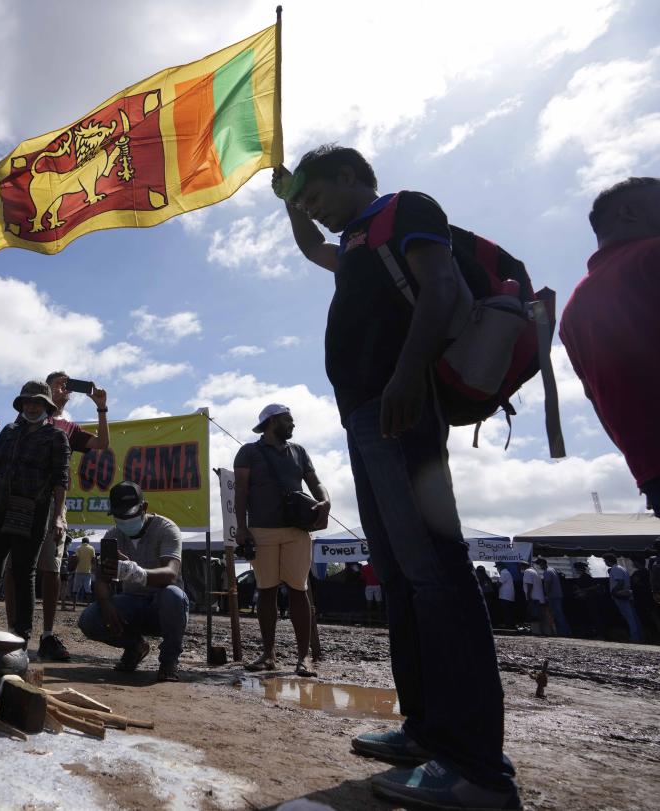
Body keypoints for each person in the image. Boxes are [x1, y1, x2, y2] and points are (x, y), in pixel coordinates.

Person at [274, 146, 519, 808]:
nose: (312, 210)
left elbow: (439, 288)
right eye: (304, 205)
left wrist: (406, 376)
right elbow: (312, 254)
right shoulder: (353, 241)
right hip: (365, 414)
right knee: (403, 578)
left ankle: (476, 769)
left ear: (350, 176)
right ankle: (426, 731)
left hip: (400, 405)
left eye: (315, 194)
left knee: (434, 574)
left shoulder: (403, 208)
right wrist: (286, 205)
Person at [559, 177, 660, 520]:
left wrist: (644, 470)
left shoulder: (572, 313)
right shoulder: (653, 255)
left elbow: (598, 401)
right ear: (630, 212)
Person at [3, 372, 110, 662]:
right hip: (21, 501)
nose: (66, 388)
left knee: (51, 567)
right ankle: (13, 631)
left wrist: (101, 407)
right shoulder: (24, 421)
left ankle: (47, 634)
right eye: (60, 383)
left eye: (67, 384)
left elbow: (101, 445)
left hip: (52, 502)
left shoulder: (67, 427)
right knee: (15, 566)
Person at [234, 404, 330, 678]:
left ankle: (304, 658)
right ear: (273, 421)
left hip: (297, 529)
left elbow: (315, 482)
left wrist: (326, 500)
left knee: (299, 591)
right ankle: (269, 655)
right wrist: (242, 527)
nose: (293, 424)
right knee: (266, 591)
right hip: (261, 530)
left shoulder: (299, 451)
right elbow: (240, 491)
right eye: (289, 420)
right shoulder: (248, 452)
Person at [0, 381, 70, 643]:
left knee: (25, 571)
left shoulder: (56, 436)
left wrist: (58, 516)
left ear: (47, 407)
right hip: (0, 508)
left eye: (37, 402)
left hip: (33, 511)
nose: (32, 406)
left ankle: (21, 636)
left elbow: (61, 480)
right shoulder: (8, 431)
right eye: (27, 402)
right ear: (21, 405)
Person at [77, 482, 187, 682]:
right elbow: (102, 578)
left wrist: (136, 572)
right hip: (131, 603)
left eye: (129, 515)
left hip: (162, 608)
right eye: (119, 516)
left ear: (144, 508)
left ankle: (169, 660)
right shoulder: (113, 536)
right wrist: (105, 603)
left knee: (173, 596)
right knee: (89, 619)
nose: (124, 521)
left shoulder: (166, 529)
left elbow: (170, 573)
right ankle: (135, 646)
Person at [605, 554, 642, 642]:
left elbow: (620, 582)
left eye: (605, 560)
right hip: (627, 595)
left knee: (629, 617)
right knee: (634, 617)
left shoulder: (615, 569)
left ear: (608, 560)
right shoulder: (622, 568)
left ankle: (635, 637)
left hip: (621, 596)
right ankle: (639, 636)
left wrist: (614, 592)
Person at [536, 557, 570, 637]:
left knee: (557, 614)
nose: (538, 566)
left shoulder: (547, 572)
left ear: (542, 564)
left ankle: (563, 632)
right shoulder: (552, 569)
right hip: (558, 595)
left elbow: (547, 585)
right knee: (560, 613)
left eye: (538, 564)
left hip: (553, 596)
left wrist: (547, 595)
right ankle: (566, 631)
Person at [522, 560, 547, 635]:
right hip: (539, 597)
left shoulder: (527, 571)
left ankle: (536, 632)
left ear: (523, 566)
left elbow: (530, 584)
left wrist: (528, 596)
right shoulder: (534, 571)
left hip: (534, 598)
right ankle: (542, 631)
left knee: (534, 615)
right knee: (540, 615)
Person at [72, 537, 97, 605]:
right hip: (88, 571)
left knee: (75, 590)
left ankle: (74, 607)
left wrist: (74, 567)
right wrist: (93, 568)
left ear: (82, 542)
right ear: (88, 542)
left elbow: (76, 558)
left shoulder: (78, 548)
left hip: (78, 570)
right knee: (88, 590)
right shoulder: (91, 548)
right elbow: (93, 559)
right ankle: (88, 605)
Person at [496, 565, 517, 630]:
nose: (497, 569)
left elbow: (499, 584)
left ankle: (508, 626)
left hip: (505, 596)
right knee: (509, 611)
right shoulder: (507, 572)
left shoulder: (503, 572)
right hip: (509, 596)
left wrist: (497, 583)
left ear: (500, 567)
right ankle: (511, 625)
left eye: (497, 567)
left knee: (506, 612)